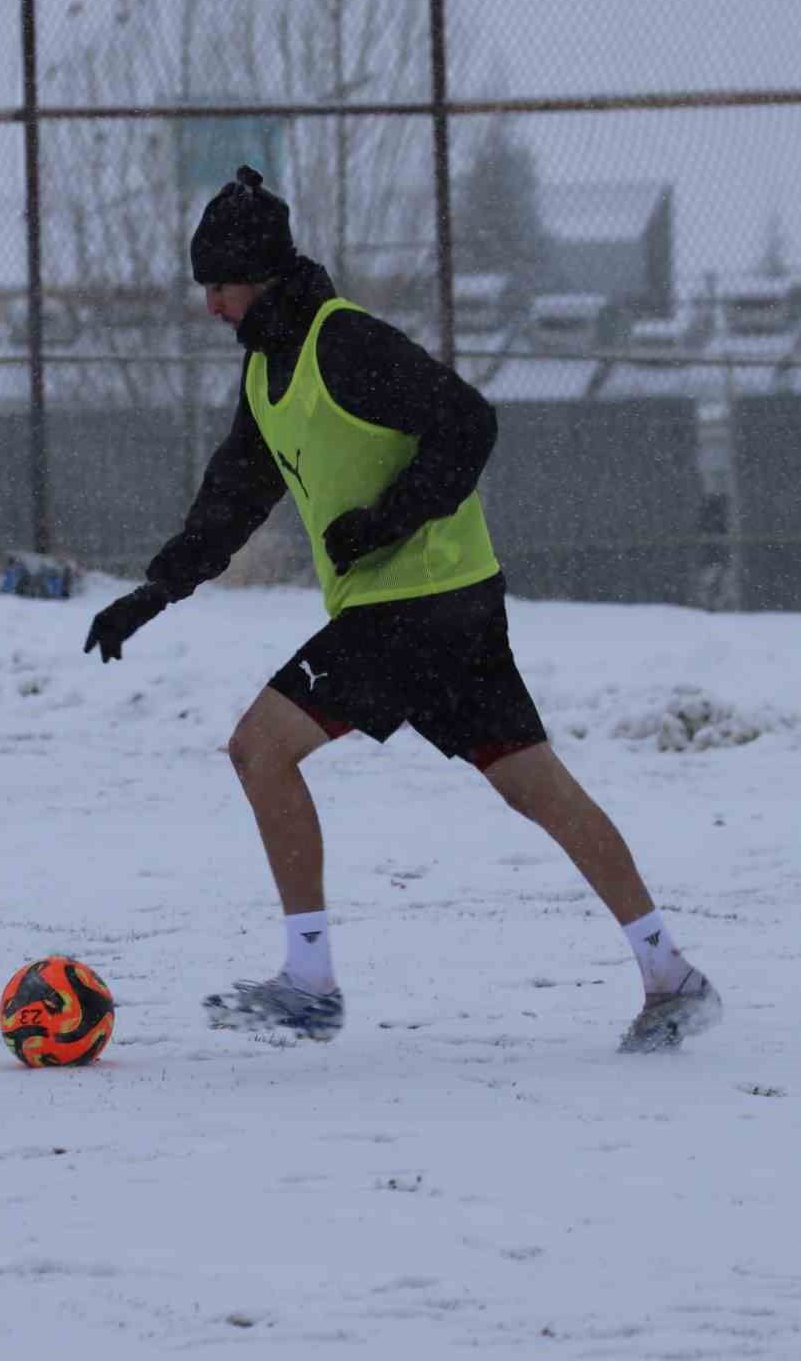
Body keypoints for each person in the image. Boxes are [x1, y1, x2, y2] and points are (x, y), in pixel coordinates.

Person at [84, 165, 722, 1055]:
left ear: (258, 275)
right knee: (536, 786)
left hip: (411, 605)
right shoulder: (272, 374)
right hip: (451, 602)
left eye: (218, 286)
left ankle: (309, 982)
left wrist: (386, 520)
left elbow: (467, 420)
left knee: (259, 750)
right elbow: (231, 500)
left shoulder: (341, 344)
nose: (210, 306)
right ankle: (670, 974)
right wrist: (153, 594)